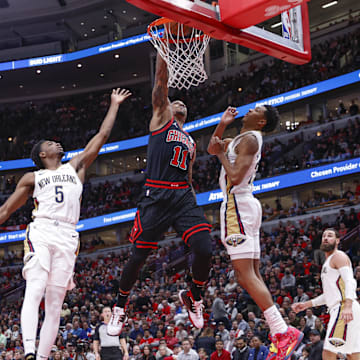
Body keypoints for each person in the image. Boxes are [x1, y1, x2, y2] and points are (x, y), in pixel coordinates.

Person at [0, 89, 131, 360]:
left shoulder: (75, 168)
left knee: (56, 304)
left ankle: (41, 357)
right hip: (43, 230)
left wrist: (115, 105)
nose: (56, 143)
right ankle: (28, 350)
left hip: (69, 235)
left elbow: (102, 137)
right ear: (43, 153)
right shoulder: (32, 177)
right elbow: (5, 210)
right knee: (35, 287)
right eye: (51, 143)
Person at [108, 52, 213, 335]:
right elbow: (160, 83)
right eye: (173, 100)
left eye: (182, 102)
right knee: (138, 257)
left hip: (182, 196)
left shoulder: (190, 141)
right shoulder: (160, 119)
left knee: (205, 248)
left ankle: (195, 296)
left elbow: (190, 176)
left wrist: (191, 200)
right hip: (156, 195)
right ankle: (119, 307)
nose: (178, 101)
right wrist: (164, 53)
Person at [207, 106, 303, 360]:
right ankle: (280, 331)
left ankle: (283, 332)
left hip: (236, 205)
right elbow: (212, 146)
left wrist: (220, 157)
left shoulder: (250, 139)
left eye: (256, 109)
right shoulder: (242, 139)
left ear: (260, 121)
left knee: (244, 274)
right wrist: (222, 122)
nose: (250, 108)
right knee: (251, 274)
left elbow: (236, 176)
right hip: (244, 205)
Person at [292, 228, 360, 360]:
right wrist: (307, 304)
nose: (326, 238)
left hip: (343, 308)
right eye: (324, 236)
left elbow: (350, 281)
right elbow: (329, 295)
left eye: (330, 236)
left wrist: (347, 306)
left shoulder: (338, 256)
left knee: (328, 353)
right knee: (353, 354)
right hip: (344, 307)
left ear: (337, 240)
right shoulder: (327, 263)